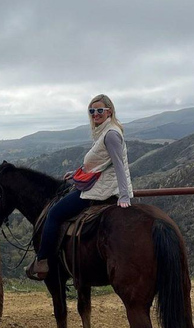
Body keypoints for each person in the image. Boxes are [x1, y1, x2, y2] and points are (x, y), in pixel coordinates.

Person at [26, 93, 133, 280]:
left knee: (54, 214)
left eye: (100, 110)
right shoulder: (105, 131)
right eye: (92, 111)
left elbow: (119, 166)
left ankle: (42, 260)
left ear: (109, 111)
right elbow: (99, 162)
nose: (95, 114)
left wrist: (124, 196)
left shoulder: (111, 135)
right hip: (101, 184)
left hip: (101, 190)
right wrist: (76, 174)